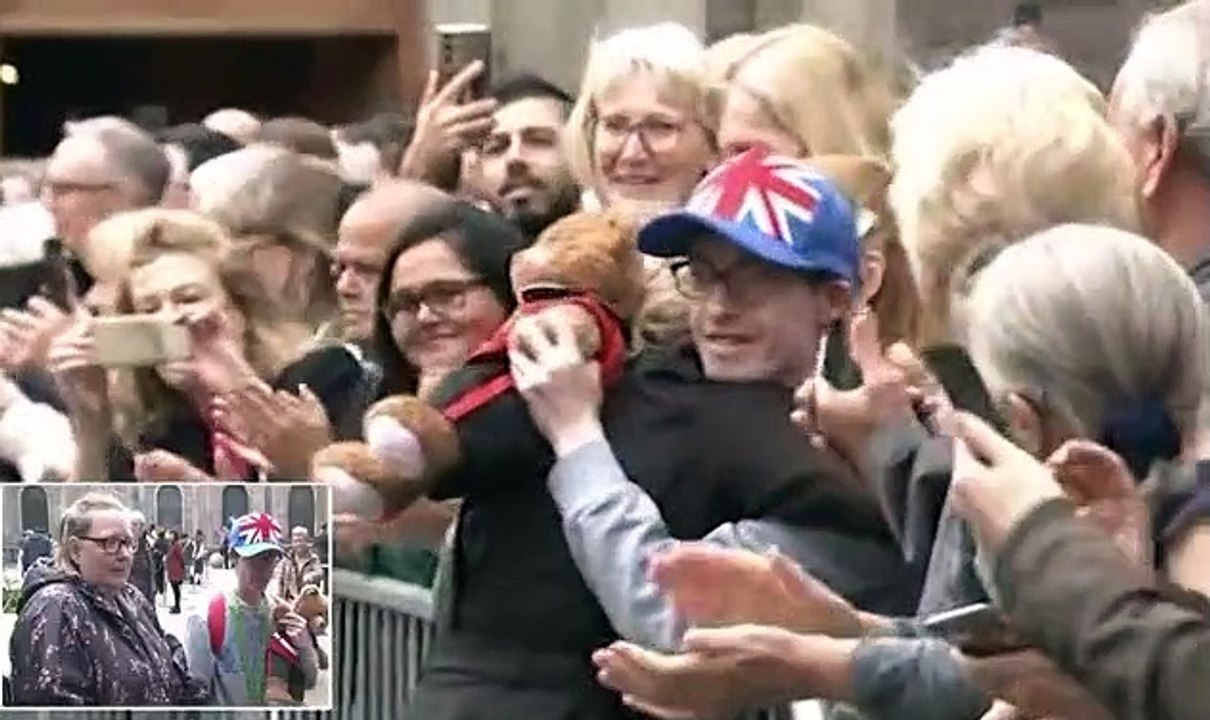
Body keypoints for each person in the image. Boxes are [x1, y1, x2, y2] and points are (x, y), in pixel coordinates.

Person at [404, 149, 913, 720]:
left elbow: (676, 625)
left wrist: (577, 440)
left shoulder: (855, 440)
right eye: (701, 275)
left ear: (836, 299)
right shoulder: (601, 381)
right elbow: (294, 672)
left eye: (757, 279)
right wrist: (312, 488)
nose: (720, 307)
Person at [9, 494, 207, 706]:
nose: (124, 554)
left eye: (128, 543)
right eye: (110, 542)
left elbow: (168, 661)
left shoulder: (131, 598)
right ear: (75, 550)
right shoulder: (55, 611)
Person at [184, 511, 319, 706]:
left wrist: (305, 645)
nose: (264, 569)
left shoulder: (281, 614)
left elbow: (310, 680)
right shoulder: (206, 616)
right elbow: (197, 694)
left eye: (270, 558)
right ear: (233, 557)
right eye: (254, 558)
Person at [276, 526, 323, 603]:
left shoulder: (313, 558)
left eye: (301, 541)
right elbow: (279, 578)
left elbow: (320, 573)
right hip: (289, 600)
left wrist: (310, 577)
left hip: (307, 601)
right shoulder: (286, 559)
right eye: (295, 541)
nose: (298, 544)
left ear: (306, 542)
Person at [166, 531, 186, 613]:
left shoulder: (177, 545)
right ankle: (176, 605)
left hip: (176, 570)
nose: (170, 536)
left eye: (172, 535)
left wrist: (182, 568)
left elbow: (180, 557)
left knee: (176, 589)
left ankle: (177, 606)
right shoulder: (172, 545)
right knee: (174, 589)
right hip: (172, 570)